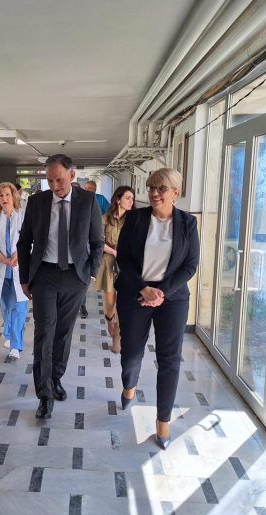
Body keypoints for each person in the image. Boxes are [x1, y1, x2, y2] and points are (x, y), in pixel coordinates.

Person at [115, 168, 198, 449]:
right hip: (135, 293)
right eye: (151, 187)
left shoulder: (188, 223)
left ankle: (163, 421)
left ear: (175, 192)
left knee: (169, 359)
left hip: (171, 298)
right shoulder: (135, 219)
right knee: (131, 353)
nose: (154, 193)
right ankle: (129, 385)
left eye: (161, 188)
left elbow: (190, 265)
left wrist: (162, 292)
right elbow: (123, 260)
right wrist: (143, 288)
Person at [18, 154, 104, 419]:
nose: (55, 186)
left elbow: (97, 242)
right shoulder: (37, 202)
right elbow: (24, 242)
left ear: (72, 175)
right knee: (44, 333)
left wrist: (90, 274)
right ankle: (44, 395)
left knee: (63, 333)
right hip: (45, 275)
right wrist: (24, 278)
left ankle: (56, 378)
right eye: (50, 181)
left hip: (75, 277)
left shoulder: (88, 201)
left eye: (59, 180)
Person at [0, 182, 28, 360]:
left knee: (20, 306)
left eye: (7, 194)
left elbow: (30, 238)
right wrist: (1, 257)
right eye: (0, 195)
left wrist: (19, 253)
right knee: (6, 306)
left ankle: (16, 346)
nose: (4, 198)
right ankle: (9, 333)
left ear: (14, 196)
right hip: (1, 267)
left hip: (19, 267)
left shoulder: (23, 214)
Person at [94, 185, 135, 353]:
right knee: (110, 301)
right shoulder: (105, 218)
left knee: (124, 301)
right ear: (118, 200)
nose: (131, 202)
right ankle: (110, 320)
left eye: (132, 199)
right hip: (109, 262)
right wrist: (114, 252)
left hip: (128, 264)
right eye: (127, 198)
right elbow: (98, 241)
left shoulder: (134, 219)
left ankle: (118, 335)